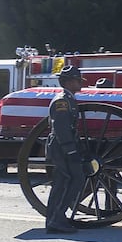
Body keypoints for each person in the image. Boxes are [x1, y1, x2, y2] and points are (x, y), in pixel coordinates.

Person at [44, 63, 88, 233]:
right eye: (77, 81)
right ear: (69, 82)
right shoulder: (62, 101)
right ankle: (56, 219)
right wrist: (71, 151)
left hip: (64, 146)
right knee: (71, 180)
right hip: (61, 147)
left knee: (64, 181)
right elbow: (61, 128)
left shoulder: (68, 98)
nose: (80, 83)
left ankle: (55, 219)